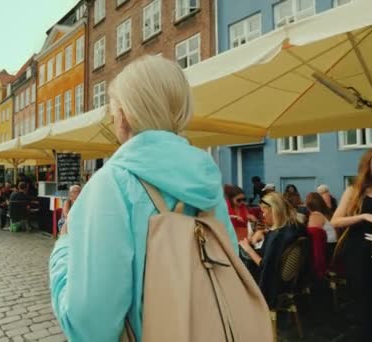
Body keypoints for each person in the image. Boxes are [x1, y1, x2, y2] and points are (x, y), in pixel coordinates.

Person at [48, 56, 237, 341]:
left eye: (114, 111)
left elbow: (90, 323)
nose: (113, 119)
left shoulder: (112, 184)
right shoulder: (206, 180)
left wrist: (63, 248)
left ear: (125, 115)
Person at [331, 148, 372, 341]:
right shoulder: (355, 191)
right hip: (359, 256)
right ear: (368, 166)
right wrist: (364, 216)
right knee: (363, 304)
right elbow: (336, 221)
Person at [239, 192, 305, 309]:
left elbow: (264, 265)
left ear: (273, 210)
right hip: (288, 283)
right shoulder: (294, 227)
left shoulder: (276, 237)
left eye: (264, 211)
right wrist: (266, 233)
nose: (263, 215)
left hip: (272, 286)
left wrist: (248, 249)